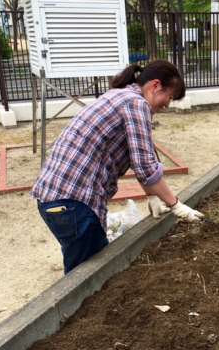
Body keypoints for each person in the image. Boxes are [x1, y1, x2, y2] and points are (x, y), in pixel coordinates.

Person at [32, 60, 204, 274]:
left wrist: (152, 196)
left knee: (85, 266)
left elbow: (139, 156)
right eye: (169, 97)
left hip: (56, 199)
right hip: (73, 202)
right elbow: (145, 167)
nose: (167, 105)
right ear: (155, 86)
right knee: (89, 275)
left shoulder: (119, 96)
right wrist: (176, 205)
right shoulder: (136, 103)